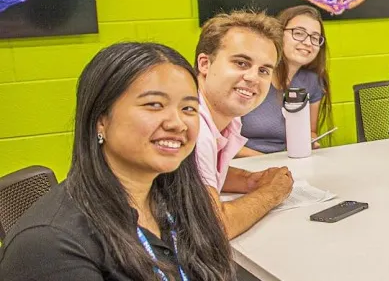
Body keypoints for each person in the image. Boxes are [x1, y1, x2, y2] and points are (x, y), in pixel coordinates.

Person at [0, 42, 235, 280]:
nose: (177, 123)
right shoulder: (50, 246)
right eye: (154, 105)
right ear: (100, 119)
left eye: (188, 108)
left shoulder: (177, 201)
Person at [193, 10, 295, 239]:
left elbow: (198, 176)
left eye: (264, 70)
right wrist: (272, 192)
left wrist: (250, 181)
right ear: (204, 63)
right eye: (241, 63)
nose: (253, 78)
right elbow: (214, 228)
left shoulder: (228, 118)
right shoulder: (192, 125)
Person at [238, 5, 333, 156]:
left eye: (315, 38)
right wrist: (269, 162)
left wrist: (311, 141)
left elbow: (311, 131)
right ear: (278, 33)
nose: (308, 42)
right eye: (299, 33)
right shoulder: (250, 76)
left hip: (289, 165)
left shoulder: (312, 81)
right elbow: (221, 141)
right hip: (244, 167)